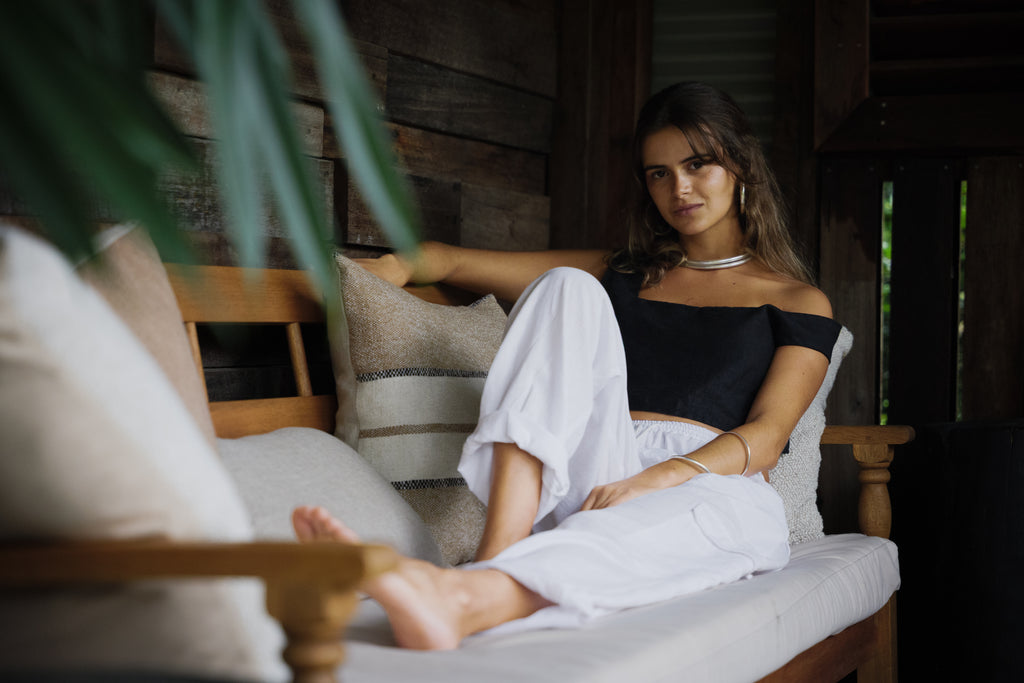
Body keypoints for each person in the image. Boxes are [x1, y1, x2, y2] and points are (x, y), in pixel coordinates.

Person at [292, 81, 840, 650]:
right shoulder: (622, 273)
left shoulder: (797, 301)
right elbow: (453, 260)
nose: (679, 188)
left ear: (740, 164)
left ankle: (466, 599)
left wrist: (659, 477)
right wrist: (390, 270)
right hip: (599, 462)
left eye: (698, 165)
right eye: (658, 173)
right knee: (564, 287)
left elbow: (769, 437)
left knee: (675, 525)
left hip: (715, 478)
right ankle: (497, 554)